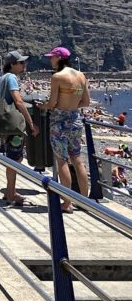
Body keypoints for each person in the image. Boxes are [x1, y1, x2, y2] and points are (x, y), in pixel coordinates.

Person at [39, 46, 90, 213]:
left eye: (52, 57)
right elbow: (86, 102)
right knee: (77, 159)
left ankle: (67, 203)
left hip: (59, 123)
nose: (50, 60)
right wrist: (72, 106)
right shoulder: (81, 75)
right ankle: (85, 201)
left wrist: (42, 106)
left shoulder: (57, 77)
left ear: (59, 58)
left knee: (62, 160)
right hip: (75, 121)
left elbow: (53, 103)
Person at [0, 50, 39, 206]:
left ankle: (10, 191)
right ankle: (11, 194)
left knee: (12, 157)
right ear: (12, 65)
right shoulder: (12, 79)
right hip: (13, 125)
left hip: (5, 124)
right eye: (21, 62)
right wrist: (30, 123)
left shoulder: (2, 78)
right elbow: (19, 101)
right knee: (15, 159)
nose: (24, 65)